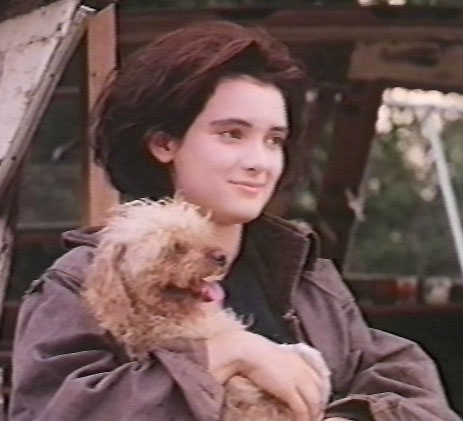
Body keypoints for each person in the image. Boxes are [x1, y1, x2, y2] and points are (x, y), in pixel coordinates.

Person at [9, 20, 460, 421]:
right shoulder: (80, 284)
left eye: (274, 140)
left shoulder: (303, 276)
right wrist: (219, 356)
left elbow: (413, 389)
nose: (259, 162)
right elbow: (55, 409)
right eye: (231, 134)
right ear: (164, 143)